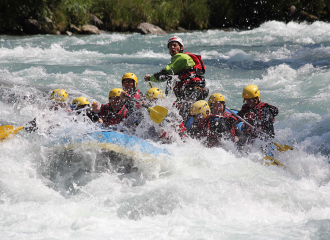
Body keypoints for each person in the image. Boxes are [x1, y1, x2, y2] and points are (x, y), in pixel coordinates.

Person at [144, 36, 208, 101]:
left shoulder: (182, 57)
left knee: (178, 108)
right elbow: (165, 77)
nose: (172, 47)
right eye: (170, 46)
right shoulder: (179, 60)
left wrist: (149, 78)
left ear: (181, 47)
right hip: (193, 92)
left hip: (194, 91)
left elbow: (164, 73)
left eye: (175, 45)